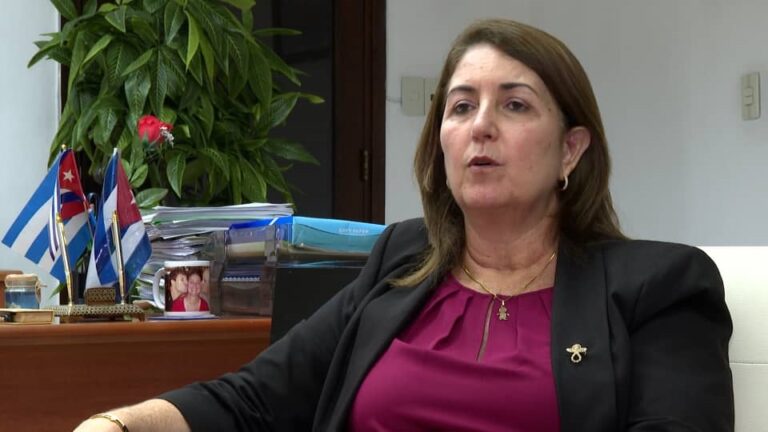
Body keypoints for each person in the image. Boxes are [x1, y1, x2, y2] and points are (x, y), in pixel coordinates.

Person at [75, 18, 733, 432]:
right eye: (461, 106)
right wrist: (119, 424)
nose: (481, 126)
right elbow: (258, 398)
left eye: (515, 105)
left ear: (571, 150)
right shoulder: (402, 260)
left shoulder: (659, 284)